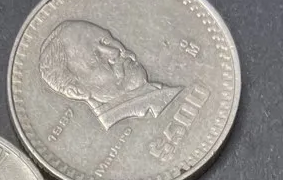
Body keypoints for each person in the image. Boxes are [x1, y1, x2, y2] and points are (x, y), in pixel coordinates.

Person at [38, 19, 182, 131]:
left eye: (106, 40)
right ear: (77, 91)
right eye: (97, 57)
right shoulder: (147, 116)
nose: (115, 52)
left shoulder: (158, 96)